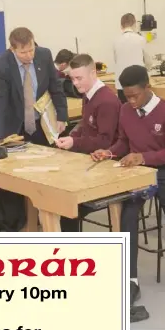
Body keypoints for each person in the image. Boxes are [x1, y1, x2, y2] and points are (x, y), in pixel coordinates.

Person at [91, 65, 165, 307]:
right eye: (126, 96)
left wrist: (143, 157)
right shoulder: (126, 111)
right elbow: (123, 142)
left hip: (164, 171)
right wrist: (109, 152)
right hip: (137, 173)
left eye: (135, 95)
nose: (131, 101)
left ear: (148, 88)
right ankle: (131, 279)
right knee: (128, 217)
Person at [54, 54, 121, 232]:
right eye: (72, 78)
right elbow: (86, 123)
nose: (75, 83)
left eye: (79, 78)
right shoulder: (88, 93)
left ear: (93, 73)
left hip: (105, 163)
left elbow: (104, 141)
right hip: (88, 158)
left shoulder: (106, 101)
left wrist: (74, 142)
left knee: (66, 205)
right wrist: (73, 134)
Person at [0, 27, 67, 147]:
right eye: (23, 52)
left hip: (43, 122)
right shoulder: (1, 66)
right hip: (17, 125)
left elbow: (56, 87)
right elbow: (0, 101)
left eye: (31, 50)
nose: (29, 56)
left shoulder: (44, 55)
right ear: (13, 49)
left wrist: (62, 116)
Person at [113, 13, 153, 104]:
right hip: (138, 83)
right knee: (141, 108)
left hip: (121, 84)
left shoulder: (116, 41)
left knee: (125, 109)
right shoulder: (141, 39)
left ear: (121, 25)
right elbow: (148, 61)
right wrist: (149, 69)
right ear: (134, 24)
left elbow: (116, 60)